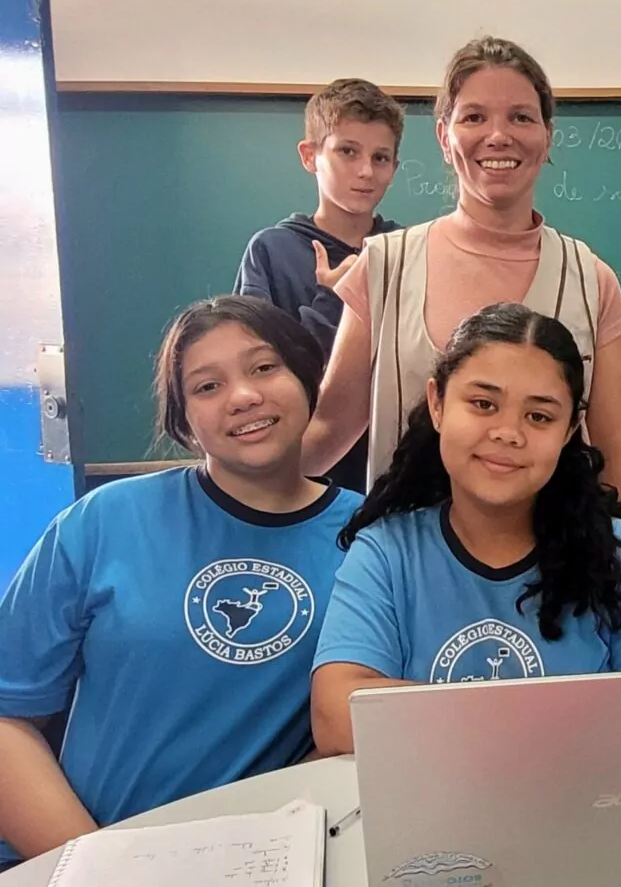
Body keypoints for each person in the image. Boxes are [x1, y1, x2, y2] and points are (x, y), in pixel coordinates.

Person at [0, 296, 361, 866]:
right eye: (206, 386)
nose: (243, 397)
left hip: (264, 864)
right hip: (81, 860)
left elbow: (357, 736)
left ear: (306, 378)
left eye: (264, 367)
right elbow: (7, 713)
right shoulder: (104, 521)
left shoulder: (371, 542)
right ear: (183, 420)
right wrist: (102, 867)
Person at [310, 304, 621, 755]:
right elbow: (338, 717)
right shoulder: (387, 552)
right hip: (430, 810)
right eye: (483, 404)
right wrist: (560, 725)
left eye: (539, 417)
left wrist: (428, 719)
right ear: (437, 403)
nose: (508, 433)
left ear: (570, 430)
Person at [299, 37, 621, 522]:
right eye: (474, 117)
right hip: (407, 570)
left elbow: (613, 448)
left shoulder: (590, 280)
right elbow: (329, 428)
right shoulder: (385, 266)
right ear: (444, 136)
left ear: (547, 136)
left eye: (521, 117)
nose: (498, 135)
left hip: (555, 575)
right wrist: (232, 485)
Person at [234, 77, 406, 492]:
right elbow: (263, 375)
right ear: (310, 156)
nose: (366, 171)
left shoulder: (407, 251)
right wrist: (335, 298)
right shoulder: (271, 251)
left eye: (381, 158)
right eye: (348, 151)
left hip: (397, 476)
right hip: (301, 478)